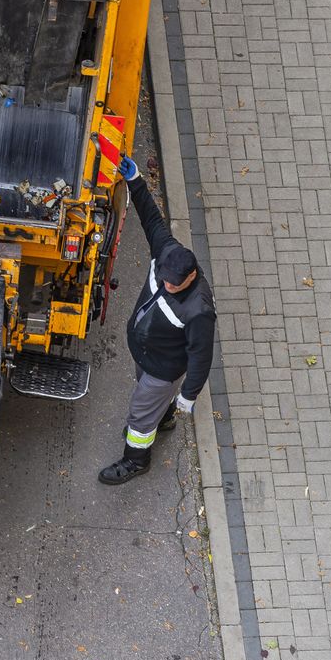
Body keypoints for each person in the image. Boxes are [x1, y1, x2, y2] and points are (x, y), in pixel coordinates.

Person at [99, 156, 217, 485]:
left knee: (139, 415)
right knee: (150, 404)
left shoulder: (198, 310)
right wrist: (136, 179)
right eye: (164, 278)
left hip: (162, 369)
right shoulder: (167, 253)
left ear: (190, 276)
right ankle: (162, 418)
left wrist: (188, 395)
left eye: (173, 284)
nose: (166, 285)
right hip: (148, 354)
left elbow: (202, 355)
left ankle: (136, 459)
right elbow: (152, 219)